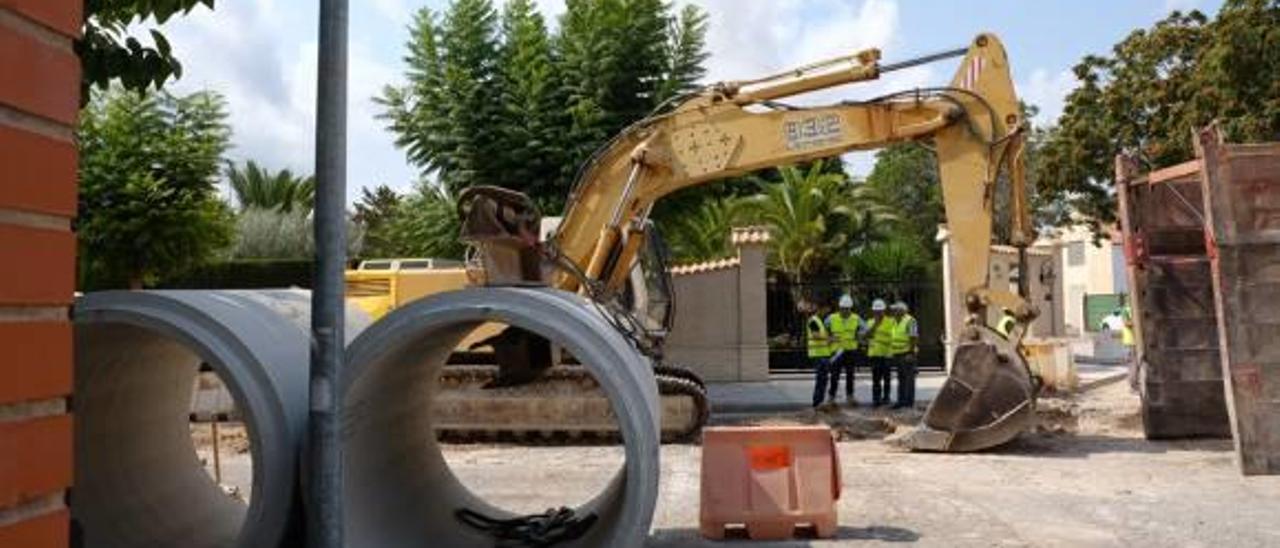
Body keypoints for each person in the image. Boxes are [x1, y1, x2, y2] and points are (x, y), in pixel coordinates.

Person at [826, 294, 863, 406]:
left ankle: (850, 397)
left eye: (847, 309)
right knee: (834, 375)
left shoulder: (856, 318)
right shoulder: (831, 318)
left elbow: (865, 329)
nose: (845, 311)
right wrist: (829, 338)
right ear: (839, 308)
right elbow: (824, 330)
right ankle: (831, 398)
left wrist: (860, 335)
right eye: (843, 309)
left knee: (850, 375)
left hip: (850, 350)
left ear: (850, 308)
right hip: (836, 351)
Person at [863, 299, 896, 407]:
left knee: (887, 378)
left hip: (887, 354)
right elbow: (866, 336)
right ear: (873, 311)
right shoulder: (870, 322)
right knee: (876, 379)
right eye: (876, 311)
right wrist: (875, 325)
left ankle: (886, 398)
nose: (878, 313)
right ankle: (876, 400)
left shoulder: (891, 321)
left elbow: (894, 335)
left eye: (880, 311)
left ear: (884, 311)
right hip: (874, 354)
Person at [804, 301, 835, 408]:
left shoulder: (819, 321)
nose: (827, 312)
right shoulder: (813, 320)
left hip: (823, 354)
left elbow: (820, 337)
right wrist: (829, 338)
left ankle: (819, 402)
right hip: (818, 355)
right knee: (821, 379)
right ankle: (817, 402)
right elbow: (816, 335)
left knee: (823, 379)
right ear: (821, 309)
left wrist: (829, 341)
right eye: (827, 309)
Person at [890, 301, 919, 409]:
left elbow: (913, 337)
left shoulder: (910, 321)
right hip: (897, 354)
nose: (893, 311)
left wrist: (911, 353)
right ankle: (901, 401)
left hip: (907, 354)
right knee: (901, 379)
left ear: (901, 311)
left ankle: (908, 403)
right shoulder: (894, 321)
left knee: (909, 379)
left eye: (895, 309)